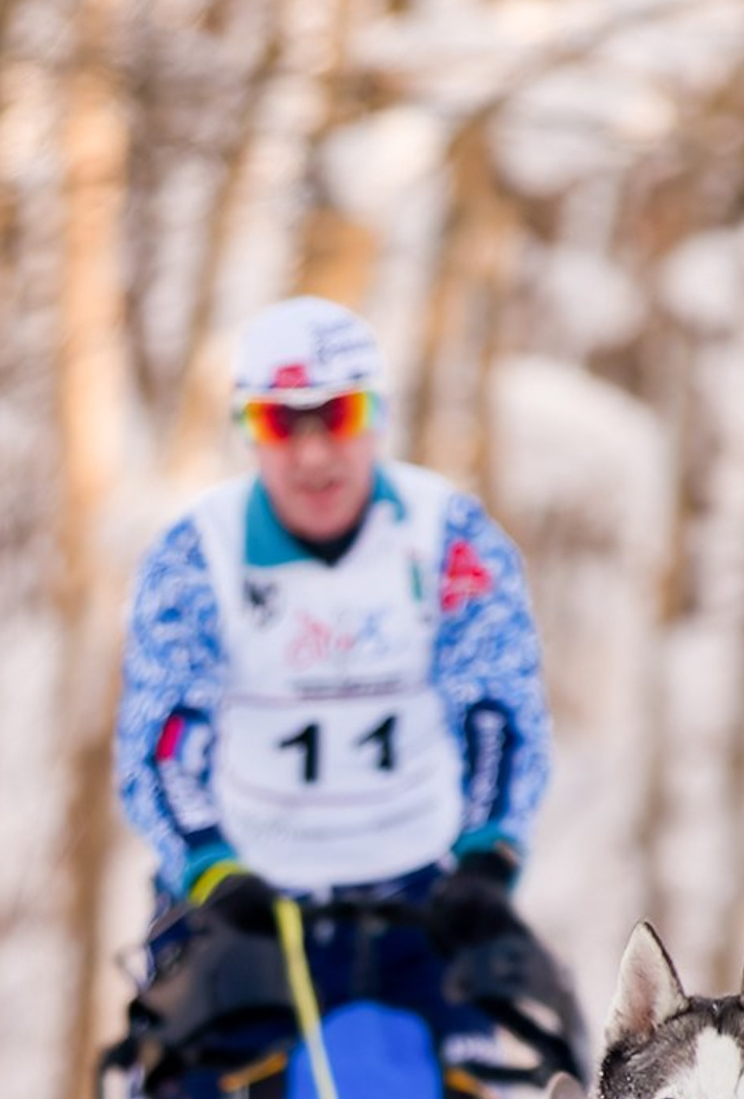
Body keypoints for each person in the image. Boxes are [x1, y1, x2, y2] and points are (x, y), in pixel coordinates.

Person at [112, 296, 552, 955]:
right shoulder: (196, 554)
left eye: (339, 415)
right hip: (240, 894)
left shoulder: (452, 538)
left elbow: (498, 709)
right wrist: (209, 864)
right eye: (282, 423)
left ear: (378, 415)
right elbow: (165, 736)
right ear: (249, 429)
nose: (314, 456)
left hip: (423, 889)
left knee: (529, 1041)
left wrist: (487, 856)